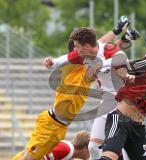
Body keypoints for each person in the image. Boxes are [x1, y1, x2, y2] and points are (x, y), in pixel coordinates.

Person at [12, 16, 131, 160]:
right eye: (75, 50)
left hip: (60, 126)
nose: (77, 51)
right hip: (51, 124)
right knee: (29, 158)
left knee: (29, 156)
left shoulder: (87, 66)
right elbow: (96, 48)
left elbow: (99, 44)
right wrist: (54, 62)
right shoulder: (74, 68)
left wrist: (118, 32)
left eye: (78, 48)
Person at [98, 37, 146, 160]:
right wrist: (126, 75)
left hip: (137, 128)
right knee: (110, 157)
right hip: (120, 122)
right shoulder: (145, 64)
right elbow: (117, 65)